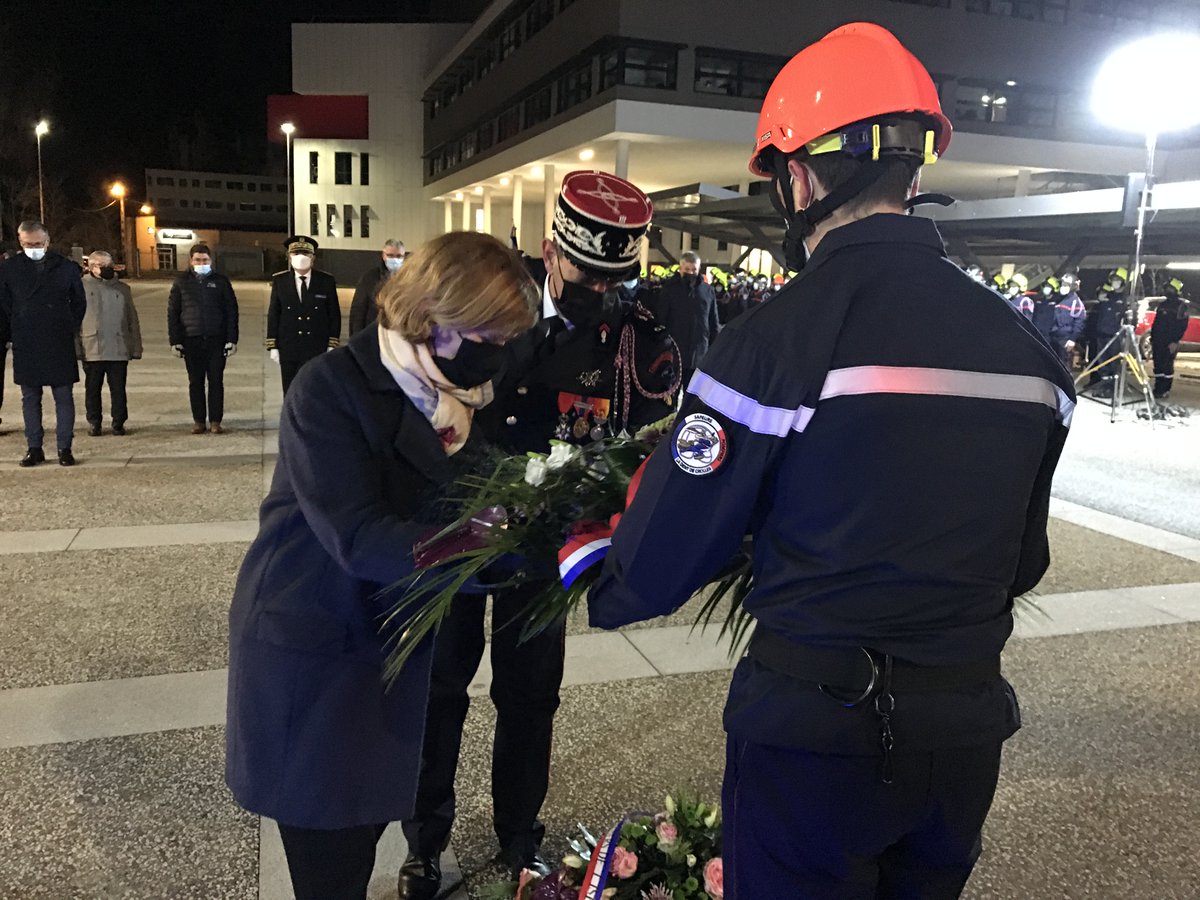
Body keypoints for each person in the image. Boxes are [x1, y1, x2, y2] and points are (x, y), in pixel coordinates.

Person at [587, 23, 1075, 899]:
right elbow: (1023, 560)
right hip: (960, 737)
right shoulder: (1031, 354)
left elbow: (665, 552)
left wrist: (605, 584)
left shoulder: (770, 345)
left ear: (799, 177)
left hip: (813, 736)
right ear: (915, 174)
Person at [226, 231, 538, 900]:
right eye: (487, 333)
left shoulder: (456, 393)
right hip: (317, 650)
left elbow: (486, 490)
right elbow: (359, 536)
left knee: (363, 835)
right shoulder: (330, 389)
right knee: (330, 866)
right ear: (431, 315)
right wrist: (496, 543)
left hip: (387, 650)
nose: (498, 356)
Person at [398, 172, 680, 900]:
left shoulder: (628, 339)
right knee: (441, 691)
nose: (602, 290)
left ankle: (520, 835)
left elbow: (632, 438)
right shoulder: (490, 303)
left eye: (617, 277)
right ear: (552, 251)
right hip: (458, 534)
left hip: (538, 546)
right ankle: (424, 840)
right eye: (589, 274)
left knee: (531, 697)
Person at [0, 220, 87, 467]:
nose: (33, 248)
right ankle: (34, 447)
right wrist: (15, 329)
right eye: (28, 244)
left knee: (63, 396)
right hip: (26, 339)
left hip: (58, 339)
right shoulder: (9, 269)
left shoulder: (65, 267)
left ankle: (64, 448)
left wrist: (67, 326)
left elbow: (78, 302)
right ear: (20, 242)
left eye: (38, 243)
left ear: (47, 242)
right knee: (29, 397)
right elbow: (4, 303)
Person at [168, 244, 239, 433]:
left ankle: (216, 421)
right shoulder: (181, 282)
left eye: (205, 260)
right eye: (198, 260)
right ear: (191, 261)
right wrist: (175, 340)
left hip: (217, 339)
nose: (201, 263)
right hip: (192, 339)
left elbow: (231, 311)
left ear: (211, 260)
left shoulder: (221, 281)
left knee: (216, 381)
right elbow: (173, 313)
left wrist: (232, 338)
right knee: (195, 381)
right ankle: (199, 420)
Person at [266, 236, 341, 394]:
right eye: (295, 254)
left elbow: (333, 314)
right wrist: (273, 345)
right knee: (290, 389)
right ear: (289, 257)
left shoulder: (326, 281)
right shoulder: (280, 281)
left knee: (315, 389)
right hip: (289, 346)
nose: (301, 258)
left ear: (313, 258)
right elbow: (274, 314)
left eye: (306, 255)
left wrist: (331, 343)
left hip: (316, 346)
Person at [79, 250, 142, 436]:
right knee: (92, 389)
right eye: (101, 265)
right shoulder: (80, 287)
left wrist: (135, 347)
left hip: (118, 345)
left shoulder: (122, 288)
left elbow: (132, 319)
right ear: (90, 267)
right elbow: (74, 320)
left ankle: (118, 422)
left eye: (109, 265)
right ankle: (94, 422)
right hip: (91, 347)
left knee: (118, 388)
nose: (106, 268)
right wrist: (75, 347)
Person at [645, 250, 720, 396]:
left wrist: (714, 350)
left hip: (699, 355)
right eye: (687, 269)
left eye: (694, 270)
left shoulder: (707, 291)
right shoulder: (669, 290)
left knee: (692, 398)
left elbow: (713, 323)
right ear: (680, 269)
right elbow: (661, 320)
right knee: (669, 396)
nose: (691, 273)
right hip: (673, 355)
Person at [349, 238, 406, 335]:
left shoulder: (410, 278)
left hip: (400, 334)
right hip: (374, 333)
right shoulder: (370, 278)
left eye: (399, 256)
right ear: (383, 256)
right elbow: (358, 310)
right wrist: (356, 336)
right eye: (390, 256)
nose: (395, 259)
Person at [1151, 277, 1190, 399]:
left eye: (1170, 288)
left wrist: (1175, 341)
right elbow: (1156, 323)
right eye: (1167, 288)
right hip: (1158, 341)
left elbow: (1182, 326)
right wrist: (1153, 337)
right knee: (1158, 366)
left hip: (1170, 342)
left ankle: (1165, 389)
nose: (1167, 290)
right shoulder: (1162, 305)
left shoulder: (1181, 306)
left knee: (1167, 366)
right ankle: (1158, 388)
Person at [1050, 272, 1086, 369]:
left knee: (1063, 364)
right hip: (1053, 335)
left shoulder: (1076, 302)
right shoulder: (1058, 299)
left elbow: (1079, 321)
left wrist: (1072, 339)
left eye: (1066, 285)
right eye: (1062, 284)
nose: (1063, 287)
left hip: (1065, 338)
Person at [1030, 276, 1058, 343]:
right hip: (1036, 333)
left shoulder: (1057, 302)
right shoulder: (1039, 301)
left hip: (1048, 335)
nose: (1046, 288)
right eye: (1045, 286)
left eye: (1048, 286)